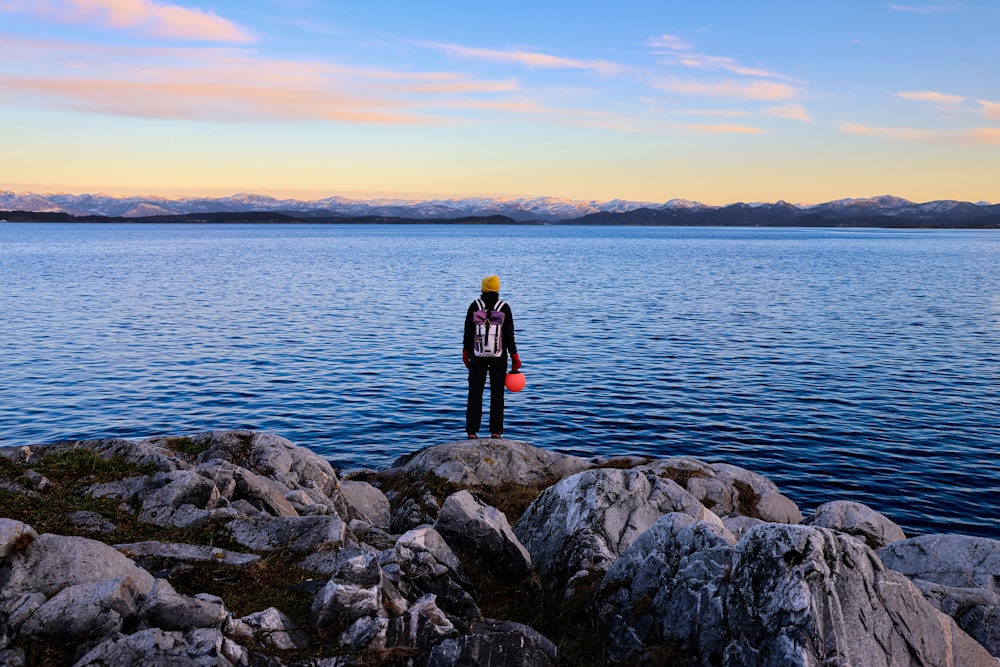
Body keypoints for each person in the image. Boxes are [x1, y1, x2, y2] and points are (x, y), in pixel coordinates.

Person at [463, 275, 521, 439]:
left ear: (483, 288)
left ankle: (472, 431)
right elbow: (509, 335)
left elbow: (468, 332)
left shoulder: (475, 306)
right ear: (497, 289)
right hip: (499, 356)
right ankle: (496, 431)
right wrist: (515, 356)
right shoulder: (504, 307)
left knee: (475, 392)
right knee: (497, 393)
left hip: (477, 355)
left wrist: (465, 352)